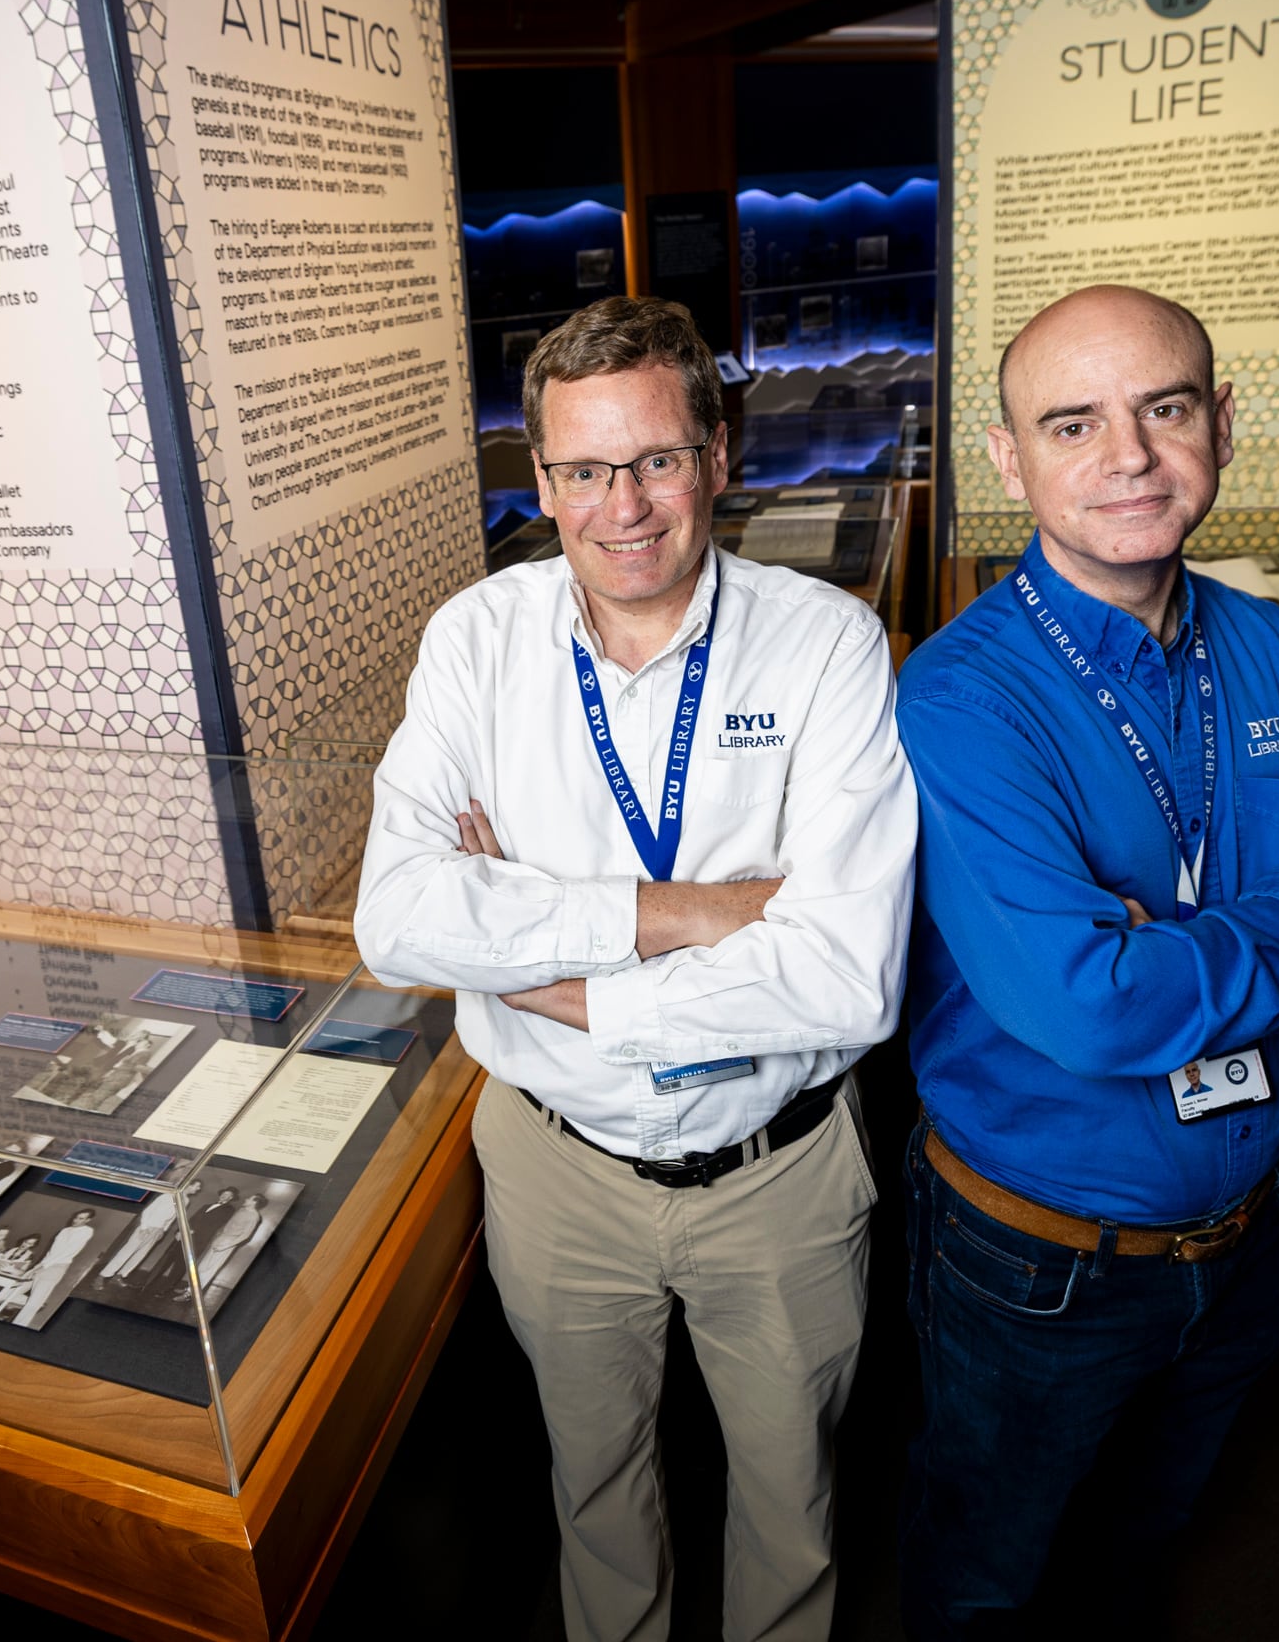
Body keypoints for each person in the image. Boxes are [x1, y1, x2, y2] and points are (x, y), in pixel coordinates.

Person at [893, 284, 1279, 1634]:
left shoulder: (1274, 652)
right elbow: (1088, 1011)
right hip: (1038, 1267)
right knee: (987, 1578)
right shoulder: (963, 697)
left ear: (1222, 423)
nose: (1128, 455)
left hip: (1249, 1237)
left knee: (1142, 1550)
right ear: (1007, 457)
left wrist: (1179, 958)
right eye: (1071, 422)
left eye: (1165, 407)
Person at [357, 295, 917, 1642]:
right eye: (588, 469)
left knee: (794, 1499)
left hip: (776, 1170)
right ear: (543, 480)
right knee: (594, 1492)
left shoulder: (827, 645)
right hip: (558, 1171)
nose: (627, 504)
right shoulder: (476, 644)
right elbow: (398, 921)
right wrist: (707, 911)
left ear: (719, 456)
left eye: (659, 458)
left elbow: (846, 978)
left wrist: (543, 953)